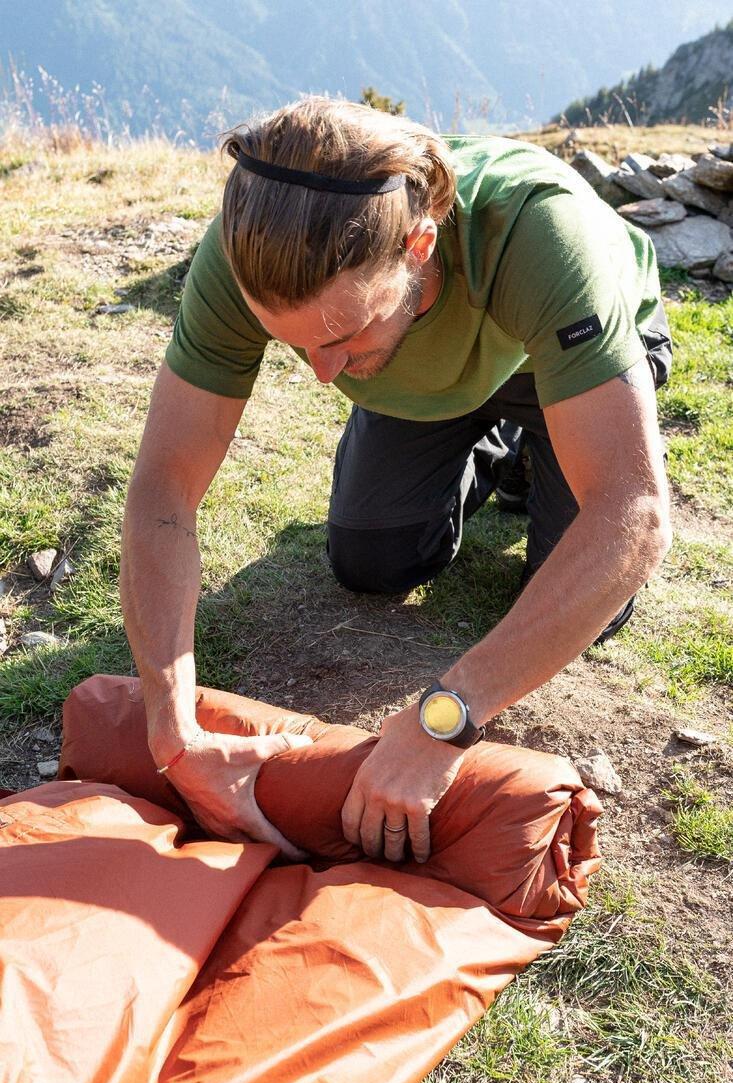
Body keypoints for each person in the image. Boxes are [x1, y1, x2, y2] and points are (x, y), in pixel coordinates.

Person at [120, 95, 672, 866]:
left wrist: (446, 718)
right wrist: (173, 734)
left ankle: (539, 438)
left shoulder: (540, 232)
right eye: (293, 346)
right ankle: (502, 445)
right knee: (370, 560)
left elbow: (633, 514)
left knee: (583, 594)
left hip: (564, 362)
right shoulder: (246, 257)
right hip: (423, 377)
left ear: (419, 244)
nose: (320, 375)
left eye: (340, 337)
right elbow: (163, 493)